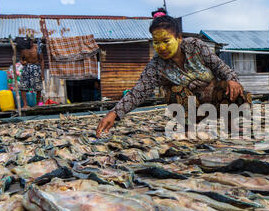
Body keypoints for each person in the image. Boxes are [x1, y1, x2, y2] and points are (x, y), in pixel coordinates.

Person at [96, 8, 252, 137]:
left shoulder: (195, 46)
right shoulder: (156, 66)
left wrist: (232, 79)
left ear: (178, 38)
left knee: (239, 91)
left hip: (215, 104)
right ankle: (188, 129)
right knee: (175, 90)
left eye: (166, 41)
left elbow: (221, 67)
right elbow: (138, 92)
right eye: (156, 42)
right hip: (191, 110)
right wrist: (114, 113)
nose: (161, 47)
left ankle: (231, 125)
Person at [19, 38, 44, 108]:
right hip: (26, 68)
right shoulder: (23, 50)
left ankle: (37, 104)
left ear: (32, 42)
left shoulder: (37, 48)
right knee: (23, 86)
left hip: (36, 68)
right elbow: (21, 59)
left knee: (38, 87)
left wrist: (42, 73)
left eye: (29, 42)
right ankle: (25, 105)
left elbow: (41, 60)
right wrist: (22, 62)